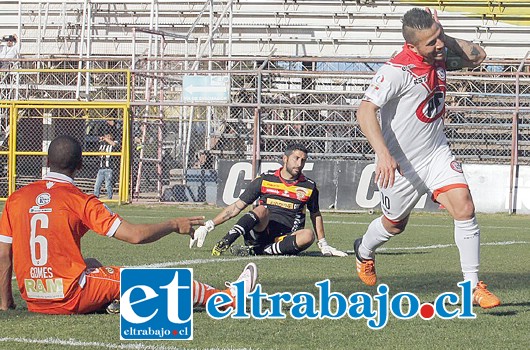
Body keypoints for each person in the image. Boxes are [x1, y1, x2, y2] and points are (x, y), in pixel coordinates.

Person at [0, 135, 258, 314]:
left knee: (90, 265)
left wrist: (6, 304)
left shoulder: (16, 199)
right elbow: (134, 235)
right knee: (149, 279)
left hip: (35, 299)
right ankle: (226, 299)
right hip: (69, 296)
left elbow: (4, 256)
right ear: (80, 165)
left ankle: (116, 302)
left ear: (47, 162)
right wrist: (172, 224)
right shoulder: (80, 200)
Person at [353, 8, 500, 309]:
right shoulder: (396, 71)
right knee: (394, 225)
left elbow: (478, 56)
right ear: (411, 46)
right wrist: (382, 154)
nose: (439, 46)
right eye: (431, 42)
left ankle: (471, 287)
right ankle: (364, 251)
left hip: (436, 154)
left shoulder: (441, 55)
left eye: (439, 37)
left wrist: (440, 34)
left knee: (464, 206)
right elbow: (365, 110)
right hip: (401, 165)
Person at [189, 143, 347, 257]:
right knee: (261, 209)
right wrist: (209, 225)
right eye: (296, 158)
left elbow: (315, 214)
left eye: (303, 160)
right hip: (259, 233)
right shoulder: (265, 179)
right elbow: (236, 207)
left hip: (285, 237)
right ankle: (227, 240)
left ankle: (259, 251)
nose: (299, 164)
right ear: (285, 159)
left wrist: (323, 243)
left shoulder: (309, 186)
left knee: (308, 236)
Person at [93, 120, 118, 199]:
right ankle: (95, 197)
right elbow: (100, 154)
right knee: (97, 184)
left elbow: (114, 144)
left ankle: (110, 197)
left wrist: (106, 139)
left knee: (108, 184)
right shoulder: (103, 145)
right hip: (101, 168)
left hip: (109, 168)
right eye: (106, 136)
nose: (106, 137)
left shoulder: (114, 142)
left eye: (108, 136)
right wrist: (101, 141)